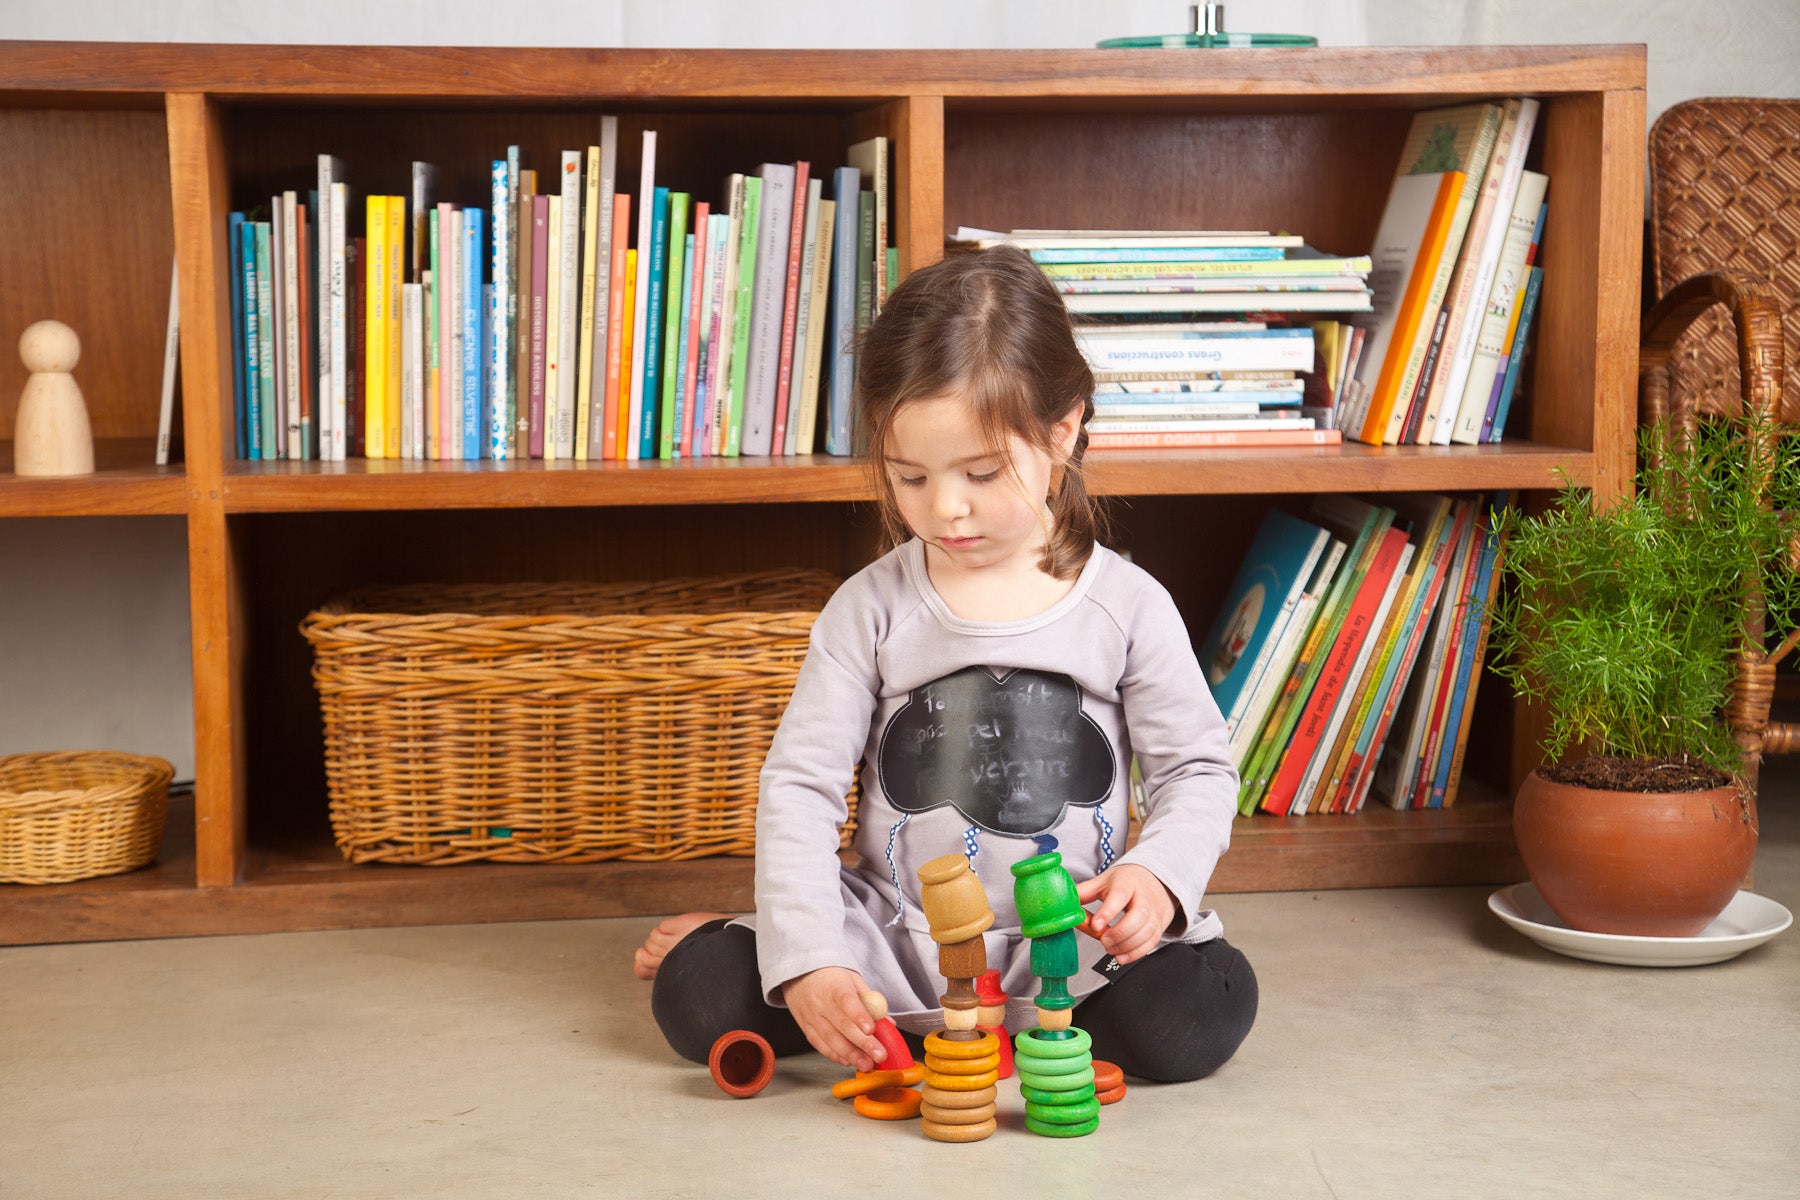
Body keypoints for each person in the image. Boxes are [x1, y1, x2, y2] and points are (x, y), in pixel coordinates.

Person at [634, 244, 1256, 1083]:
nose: (946, 509)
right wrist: (810, 956)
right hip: (894, 941)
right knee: (701, 995)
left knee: (1195, 1014)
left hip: (1073, 944)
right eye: (910, 478)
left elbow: (1197, 770)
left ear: (1063, 431)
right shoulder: (870, 607)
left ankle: (1027, 1012)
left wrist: (1158, 878)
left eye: (981, 472)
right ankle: (769, 940)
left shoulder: (1127, 604)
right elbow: (802, 787)